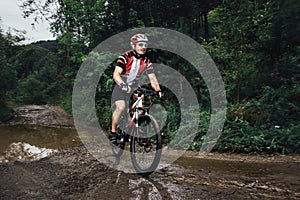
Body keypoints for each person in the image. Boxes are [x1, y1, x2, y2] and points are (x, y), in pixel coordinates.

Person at [109, 33, 162, 145]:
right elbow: (116, 74)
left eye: (145, 45)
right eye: (140, 44)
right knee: (121, 107)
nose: (144, 47)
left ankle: (135, 129)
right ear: (133, 46)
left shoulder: (147, 61)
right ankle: (113, 132)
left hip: (133, 86)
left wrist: (158, 89)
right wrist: (123, 85)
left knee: (141, 108)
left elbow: (153, 78)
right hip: (120, 85)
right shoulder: (125, 57)